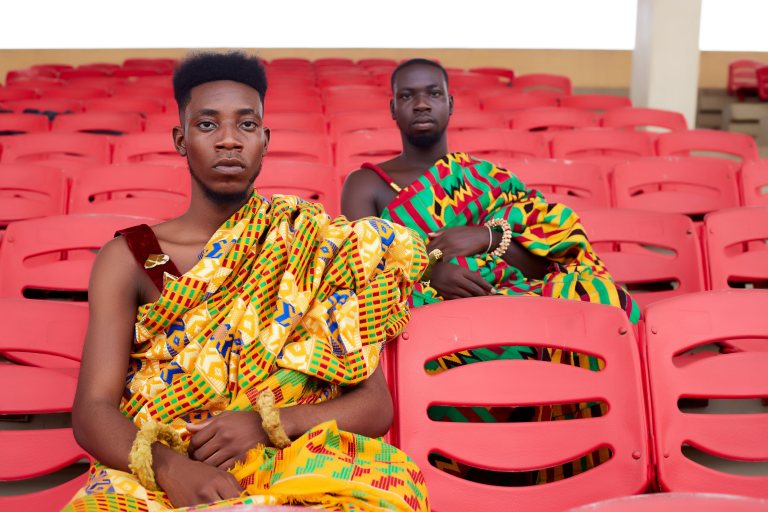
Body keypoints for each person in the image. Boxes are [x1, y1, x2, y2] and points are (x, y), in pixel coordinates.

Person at [65, 51, 430, 511]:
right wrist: (171, 469)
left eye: (246, 124)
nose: (229, 140)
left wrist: (268, 423)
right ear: (180, 139)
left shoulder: (315, 245)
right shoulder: (133, 257)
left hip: (294, 462)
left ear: (264, 139)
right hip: (160, 469)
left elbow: (375, 406)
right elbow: (93, 409)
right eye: (207, 125)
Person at [342, 58, 640, 485]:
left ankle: (561, 451)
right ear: (393, 108)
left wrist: (485, 237)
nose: (421, 104)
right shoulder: (367, 184)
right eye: (407, 96)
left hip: (506, 295)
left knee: (600, 298)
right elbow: (362, 266)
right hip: (424, 310)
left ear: (450, 103)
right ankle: (480, 463)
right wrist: (429, 272)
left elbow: (544, 258)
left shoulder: (486, 178)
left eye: (433, 93)